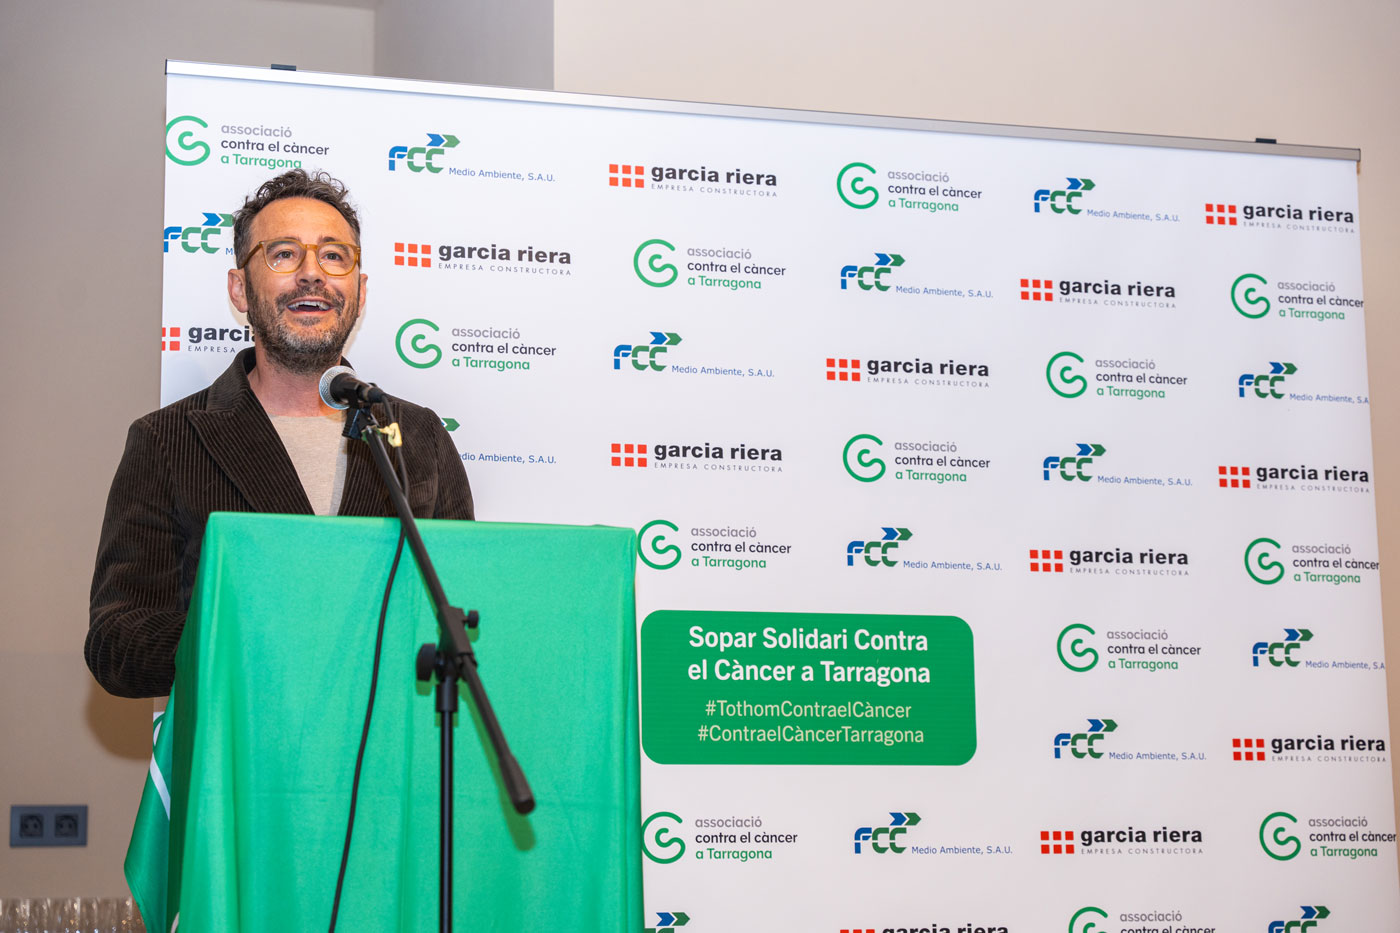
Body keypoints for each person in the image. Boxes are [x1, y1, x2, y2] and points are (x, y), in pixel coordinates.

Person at [87, 169, 473, 698]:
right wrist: (259, 640)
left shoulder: (419, 436)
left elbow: (461, 611)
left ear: (360, 291)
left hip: (391, 744)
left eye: (334, 256)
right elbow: (116, 643)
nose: (312, 274)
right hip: (243, 743)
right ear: (239, 289)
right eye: (284, 254)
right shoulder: (167, 440)